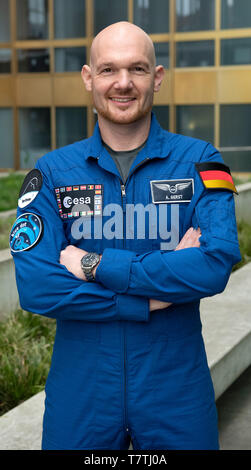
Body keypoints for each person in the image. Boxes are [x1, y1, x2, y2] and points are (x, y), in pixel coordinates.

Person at [10, 22, 241, 450]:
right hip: (81, 394)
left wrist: (93, 264)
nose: (122, 83)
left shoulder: (199, 161)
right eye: (108, 70)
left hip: (175, 390)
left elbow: (213, 264)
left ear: (157, 77)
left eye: (136, 69)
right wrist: (150, 298)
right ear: (87, 78)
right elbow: (38, 287)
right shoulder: (53, 173)